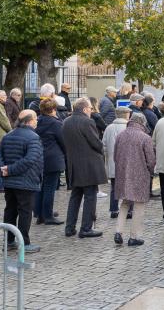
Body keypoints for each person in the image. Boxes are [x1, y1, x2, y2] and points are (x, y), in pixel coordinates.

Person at [0, 110, 43, 253]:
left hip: (9, 182)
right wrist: (9, 169)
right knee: (25, 212)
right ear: (29, 121)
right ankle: (24, 243)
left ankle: (9, 241)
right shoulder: (33, 137)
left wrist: (3, 169)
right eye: (35, 119)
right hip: (26, 181)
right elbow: (30, 159)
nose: (37, 121)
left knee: (10, 210)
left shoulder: (8, 135)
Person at [63, 98, 108, 238]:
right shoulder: (87, 122)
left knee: (75, 196)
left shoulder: (66, 121)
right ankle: (86, 228)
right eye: (90, 108)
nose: (91, 111)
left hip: (73, 164)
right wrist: (102, 148)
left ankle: (69, 228)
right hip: (88, 165)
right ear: (84, 109)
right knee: (90, 196)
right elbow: (96, 142)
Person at [113, 113, 156, 247]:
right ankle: (134, 237)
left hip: (123, 173)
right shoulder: (145, 137)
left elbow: (115, 156)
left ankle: (118, 232)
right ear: (142, 123)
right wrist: (150, 171)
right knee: (139, 205)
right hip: (140, 174)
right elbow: (151, 160)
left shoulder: (120, 135)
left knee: (124, 203)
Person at [34, 99, 65, 225]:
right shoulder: (55, 123)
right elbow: (63, 141)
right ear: (53, 109)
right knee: (49, 188)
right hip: (53, 158)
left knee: (40, 187)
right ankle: (48, 215)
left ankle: (39, 214)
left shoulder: (37, 121)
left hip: (40, 157)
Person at [103, 106, 130, 218]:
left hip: (113, 162)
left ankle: (114, 210)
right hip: (127, 162)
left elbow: (104, 145)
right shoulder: (128, 127)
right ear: (127, 114)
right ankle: (129, 211)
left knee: (114, 187)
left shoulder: (109, 128)